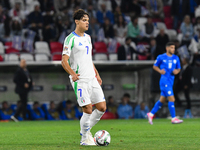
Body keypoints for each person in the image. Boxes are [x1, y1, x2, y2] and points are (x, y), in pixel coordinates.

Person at [61, 9, 106, 146]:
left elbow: (88, 59)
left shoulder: (88, 38)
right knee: (87, 109)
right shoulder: (70, 39)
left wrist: (96, 73)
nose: (87, 22)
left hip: (92, 78)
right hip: (80, 79)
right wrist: (72, 74)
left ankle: (85, 130)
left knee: (102, 107)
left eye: (88, 20)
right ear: (77, 21)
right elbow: (64, 60)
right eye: (84, 20)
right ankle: (85, 138)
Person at [147, 42, 183, 124]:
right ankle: (173, 118)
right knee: (172, 99)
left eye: (174, 48)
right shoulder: (161, 57)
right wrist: (160, 71)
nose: (173, 49)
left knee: (162, 100)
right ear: (167, 48)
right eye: (171, 47)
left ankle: (151, 114)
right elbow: (154, 66)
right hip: (164, 81)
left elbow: (179, 68)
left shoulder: (176, 58)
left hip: (171, 81)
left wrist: (176, 71)